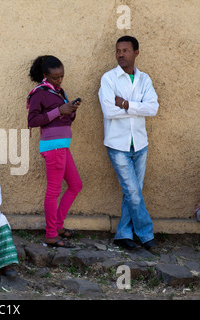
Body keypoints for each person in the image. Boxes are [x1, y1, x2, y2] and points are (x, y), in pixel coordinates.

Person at [98, 36, 159, 251]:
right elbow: (109, 111)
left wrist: (124, 103)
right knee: (133, 192)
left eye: (125, 50)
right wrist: (136, 107)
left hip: (140, 143)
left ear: (136, 52)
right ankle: (146, 234)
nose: (121, 54)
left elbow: (153, 109)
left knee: (132, 192)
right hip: (118, 145)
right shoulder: (109, 79)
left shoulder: (144, 79)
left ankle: (123, 234)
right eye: (118, 51)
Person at [26, 55, 83, 248]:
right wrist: (60, 110)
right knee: (53, 191)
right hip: (53, 147)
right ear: (45, 76)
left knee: (75, 185)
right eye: (54, 78)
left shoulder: (59, 92)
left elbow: (64, 118)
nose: (59, 81)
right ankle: (50, 234)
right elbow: (32, 121)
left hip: (62, 145)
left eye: (61, 77)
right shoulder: (39, 93)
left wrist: (71, 110)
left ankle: (57, 226)